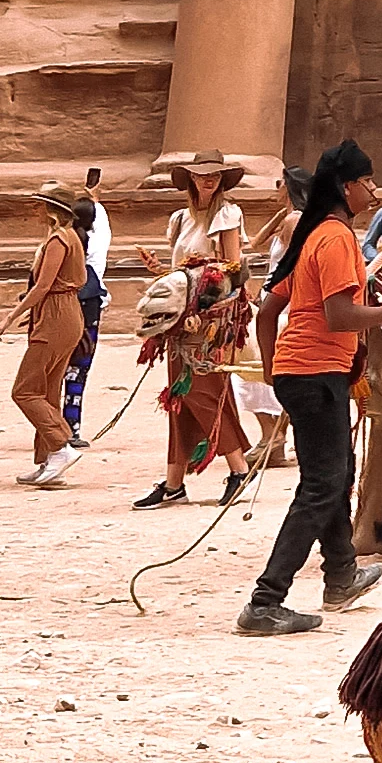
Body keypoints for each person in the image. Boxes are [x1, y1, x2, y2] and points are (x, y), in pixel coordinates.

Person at [240, 138, 382, 637]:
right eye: (368, 181)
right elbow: (340, 313)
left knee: (332, 473)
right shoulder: (336, 239)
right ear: (348, 188)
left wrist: (272, 367)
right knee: (322, 484)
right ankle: (266, 599)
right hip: (316, 373)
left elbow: (267, 311)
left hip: (300, 371)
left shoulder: (313, 236)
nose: (373, 189)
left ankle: (341, 572)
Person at [135, 153, 257, 511]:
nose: (209, 181)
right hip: (179, 317)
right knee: (179, 395)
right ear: (190, 178)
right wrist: (161, 270)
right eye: (202, 175)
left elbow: (233, 270)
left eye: (215, 175)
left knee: (204, 391)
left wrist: (205, 301)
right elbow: (179, 272)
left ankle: (238, 469)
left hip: (209, 320)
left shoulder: (226, 215)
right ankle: (174, 483)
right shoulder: (181, 219)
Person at [0, 197, 88, 482]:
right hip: (64, 314)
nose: (34, 210)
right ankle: (49, 460)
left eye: (39, 206)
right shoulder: (68, 237)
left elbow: (43, 285)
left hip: (56, 315)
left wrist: (8, 318)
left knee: (25, 390)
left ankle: (61, 445)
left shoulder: (59, 240)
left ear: (51, 210)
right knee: (48, 390)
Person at [62, 171, 110, 438]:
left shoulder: (64, 242)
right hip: (89, 309)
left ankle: (50, 428)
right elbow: (101, 224)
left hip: (61, 312)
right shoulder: (96, 247)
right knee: (78, 372)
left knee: (55, 370)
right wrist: (95, 198)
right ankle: (72, 426)